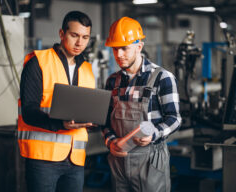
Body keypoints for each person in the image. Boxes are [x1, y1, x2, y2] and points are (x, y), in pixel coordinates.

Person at [18, 11, 95, 192]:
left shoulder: (87, 69)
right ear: (62, 34)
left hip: (75, 159)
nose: (79, 43)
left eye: (85, 37)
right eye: (74, 35)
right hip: (43, 160)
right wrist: (60, 123)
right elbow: (29, 111)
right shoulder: (38, 62)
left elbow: (87, 108)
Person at [102, 16, 181, 192]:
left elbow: (174, 119)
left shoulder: (161, 78)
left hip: (150, 161)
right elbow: (105, 121)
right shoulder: (112, 81)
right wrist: (111, 141)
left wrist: (154, 134)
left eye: (124, 48)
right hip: (119, 162)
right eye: (115, 49)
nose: (119, 55)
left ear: (139, 47)